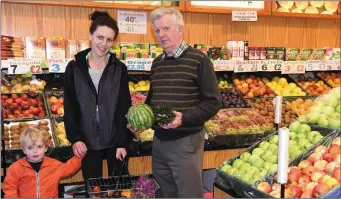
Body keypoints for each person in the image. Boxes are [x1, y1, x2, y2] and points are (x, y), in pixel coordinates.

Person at [128, 7, 222, 198]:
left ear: (180, 29)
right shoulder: (157, 63)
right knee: (165, 194)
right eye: (157, 30)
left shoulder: (200, 60)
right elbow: (152, 102)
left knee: (189, 194)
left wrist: (184, 118)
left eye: (166, 29)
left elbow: (213, 102)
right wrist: (141, 122)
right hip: (159, 141)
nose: (161, 35)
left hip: (185, 142)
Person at [63, 10, 132, 185]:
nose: (104, 43)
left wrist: (123, 142)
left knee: (120, 190)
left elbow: (125, 106)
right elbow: (70, 107)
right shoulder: (74, 68)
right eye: (100, 37)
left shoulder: (119, 69)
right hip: (87, 143)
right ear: (90, 36)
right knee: (94, 191)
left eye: (109, 40)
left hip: (115, 142)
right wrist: (75, 138)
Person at [3, 126, 82, 198]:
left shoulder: (53, 165)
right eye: (30, 148)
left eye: (39, 146)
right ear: (24, 150)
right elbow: (10, 188)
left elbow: (69, 168)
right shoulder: (15, 168)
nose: (35, 151)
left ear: (46, 148)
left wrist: (80, 155)